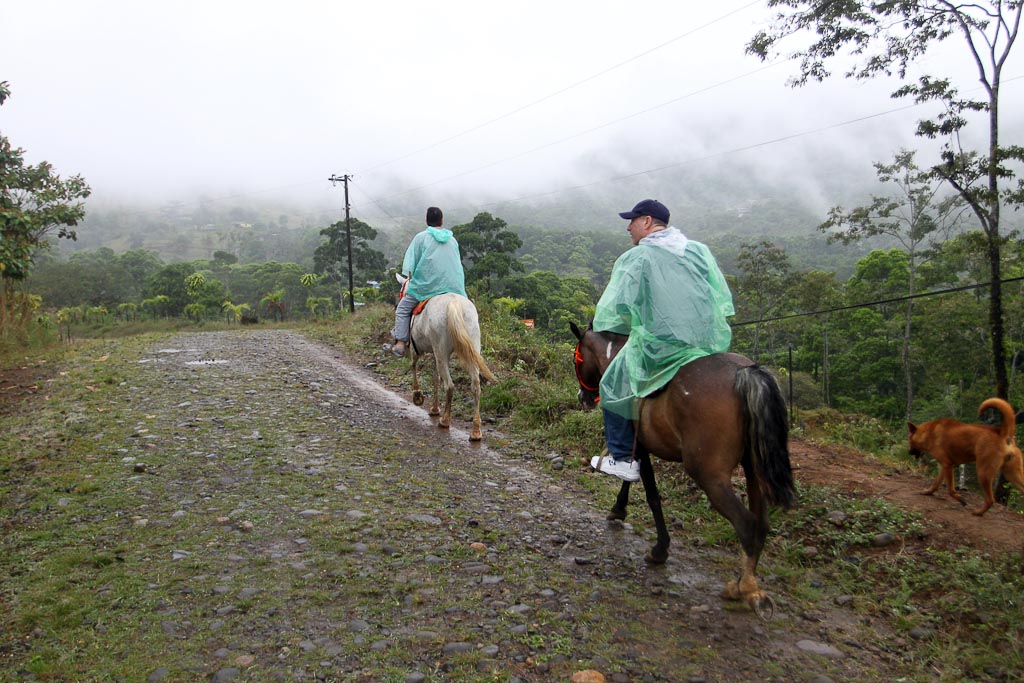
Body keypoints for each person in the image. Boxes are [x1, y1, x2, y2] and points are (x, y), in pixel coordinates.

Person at [590, 199, 735, 481]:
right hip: (704, 344)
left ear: (647, 222)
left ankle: (622, 458)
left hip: (660, 346)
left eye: (632, 221)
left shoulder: (637, 258)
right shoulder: (699, 251)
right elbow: (720, 298)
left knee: (613, 383)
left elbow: (615, 310)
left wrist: (631, 325)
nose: (628, 227)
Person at [390, 206, 467, 357]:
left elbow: (411, 265)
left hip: (427, 287)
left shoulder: (421, 238)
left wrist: (412, 277)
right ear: (442, 220)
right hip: (454, 286)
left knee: (402, 309)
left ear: (426, 220)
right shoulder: (452, 240)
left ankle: (400, 343)